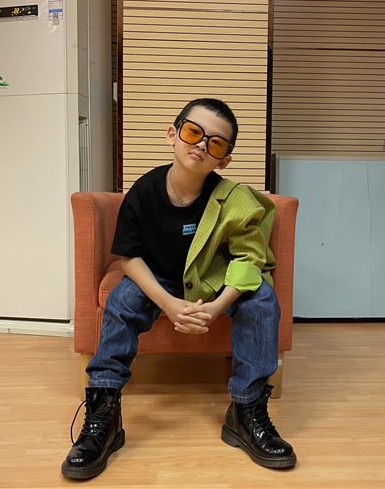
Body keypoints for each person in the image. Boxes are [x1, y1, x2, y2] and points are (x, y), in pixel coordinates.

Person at [61, 98, 296, 480]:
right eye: (193, 132)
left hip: (214, 278)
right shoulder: (144, 192)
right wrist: (169, 304)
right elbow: (129, 259)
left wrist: (218, 306)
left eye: (215, 143)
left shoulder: (234, 198)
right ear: (173, 134)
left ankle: (246, 411)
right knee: (122, 300)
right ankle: (104, 413)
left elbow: (249, 260)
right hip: (159, 278)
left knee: (262, 299)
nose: (201, 144)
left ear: (224, 160)